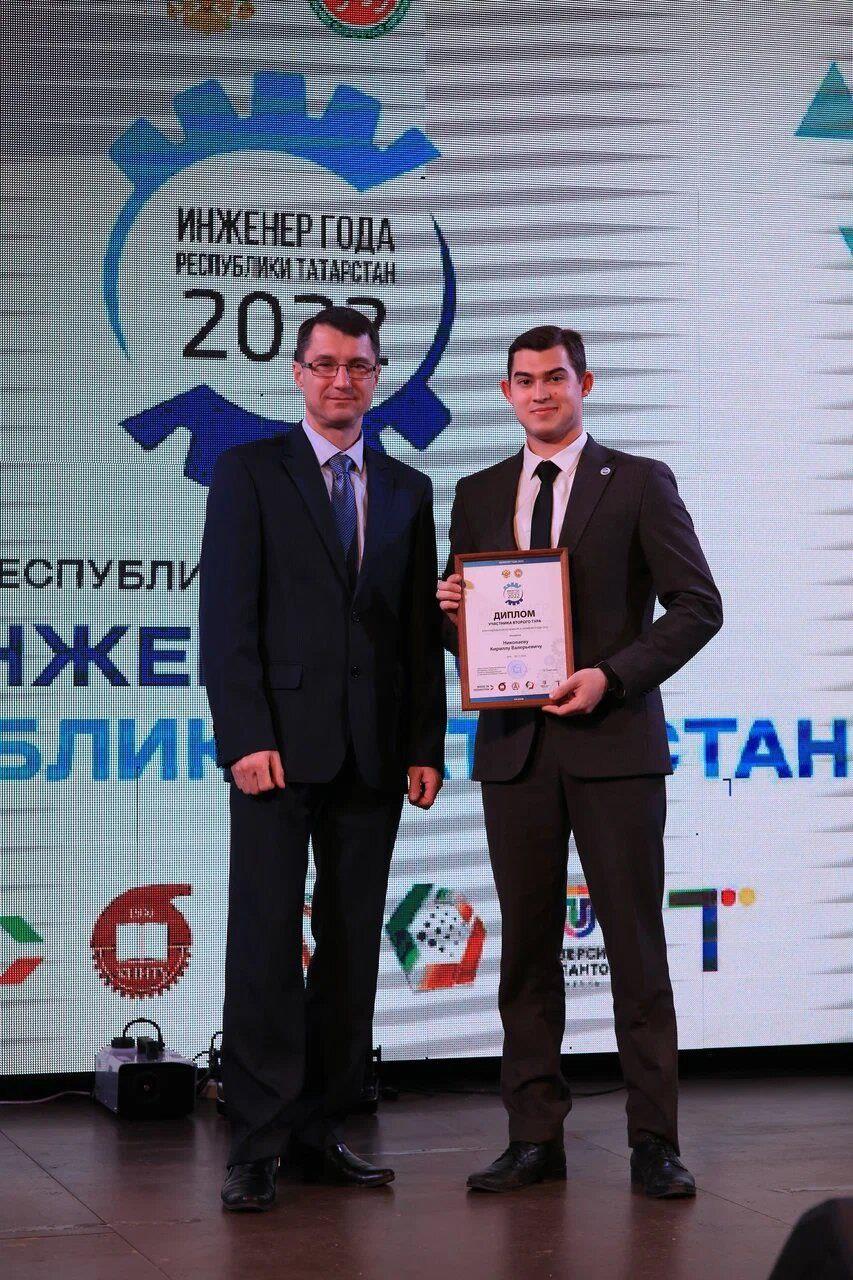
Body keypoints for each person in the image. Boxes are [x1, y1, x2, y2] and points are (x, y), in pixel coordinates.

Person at [437, 324, 722, 1196]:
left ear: (583, 384)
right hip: (515, 754)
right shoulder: (477, 492)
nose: (539, 393)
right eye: (523, 380)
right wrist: (451, 614)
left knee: (634, 946)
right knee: (525, 952)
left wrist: (612, 675)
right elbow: (475, 638)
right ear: (506, 393)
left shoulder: (637, 481)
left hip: (614, 744)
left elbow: (696, 605)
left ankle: (654, 1143)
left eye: (554, 378)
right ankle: (533, 1139)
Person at [200, 306, 446, 1211]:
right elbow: (226, 618)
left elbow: (416, 631)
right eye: (326, 364)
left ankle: (319, 1128)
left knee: (349, 949)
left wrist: (423, 743)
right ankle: (256, 1141)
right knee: (265, 942)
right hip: (275, 750)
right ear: (298, 373)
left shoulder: (410, 487)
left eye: (359, 366)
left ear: (377, 377)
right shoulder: (248, 470)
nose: (342, 380)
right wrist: (243, 736)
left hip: (374, 753)